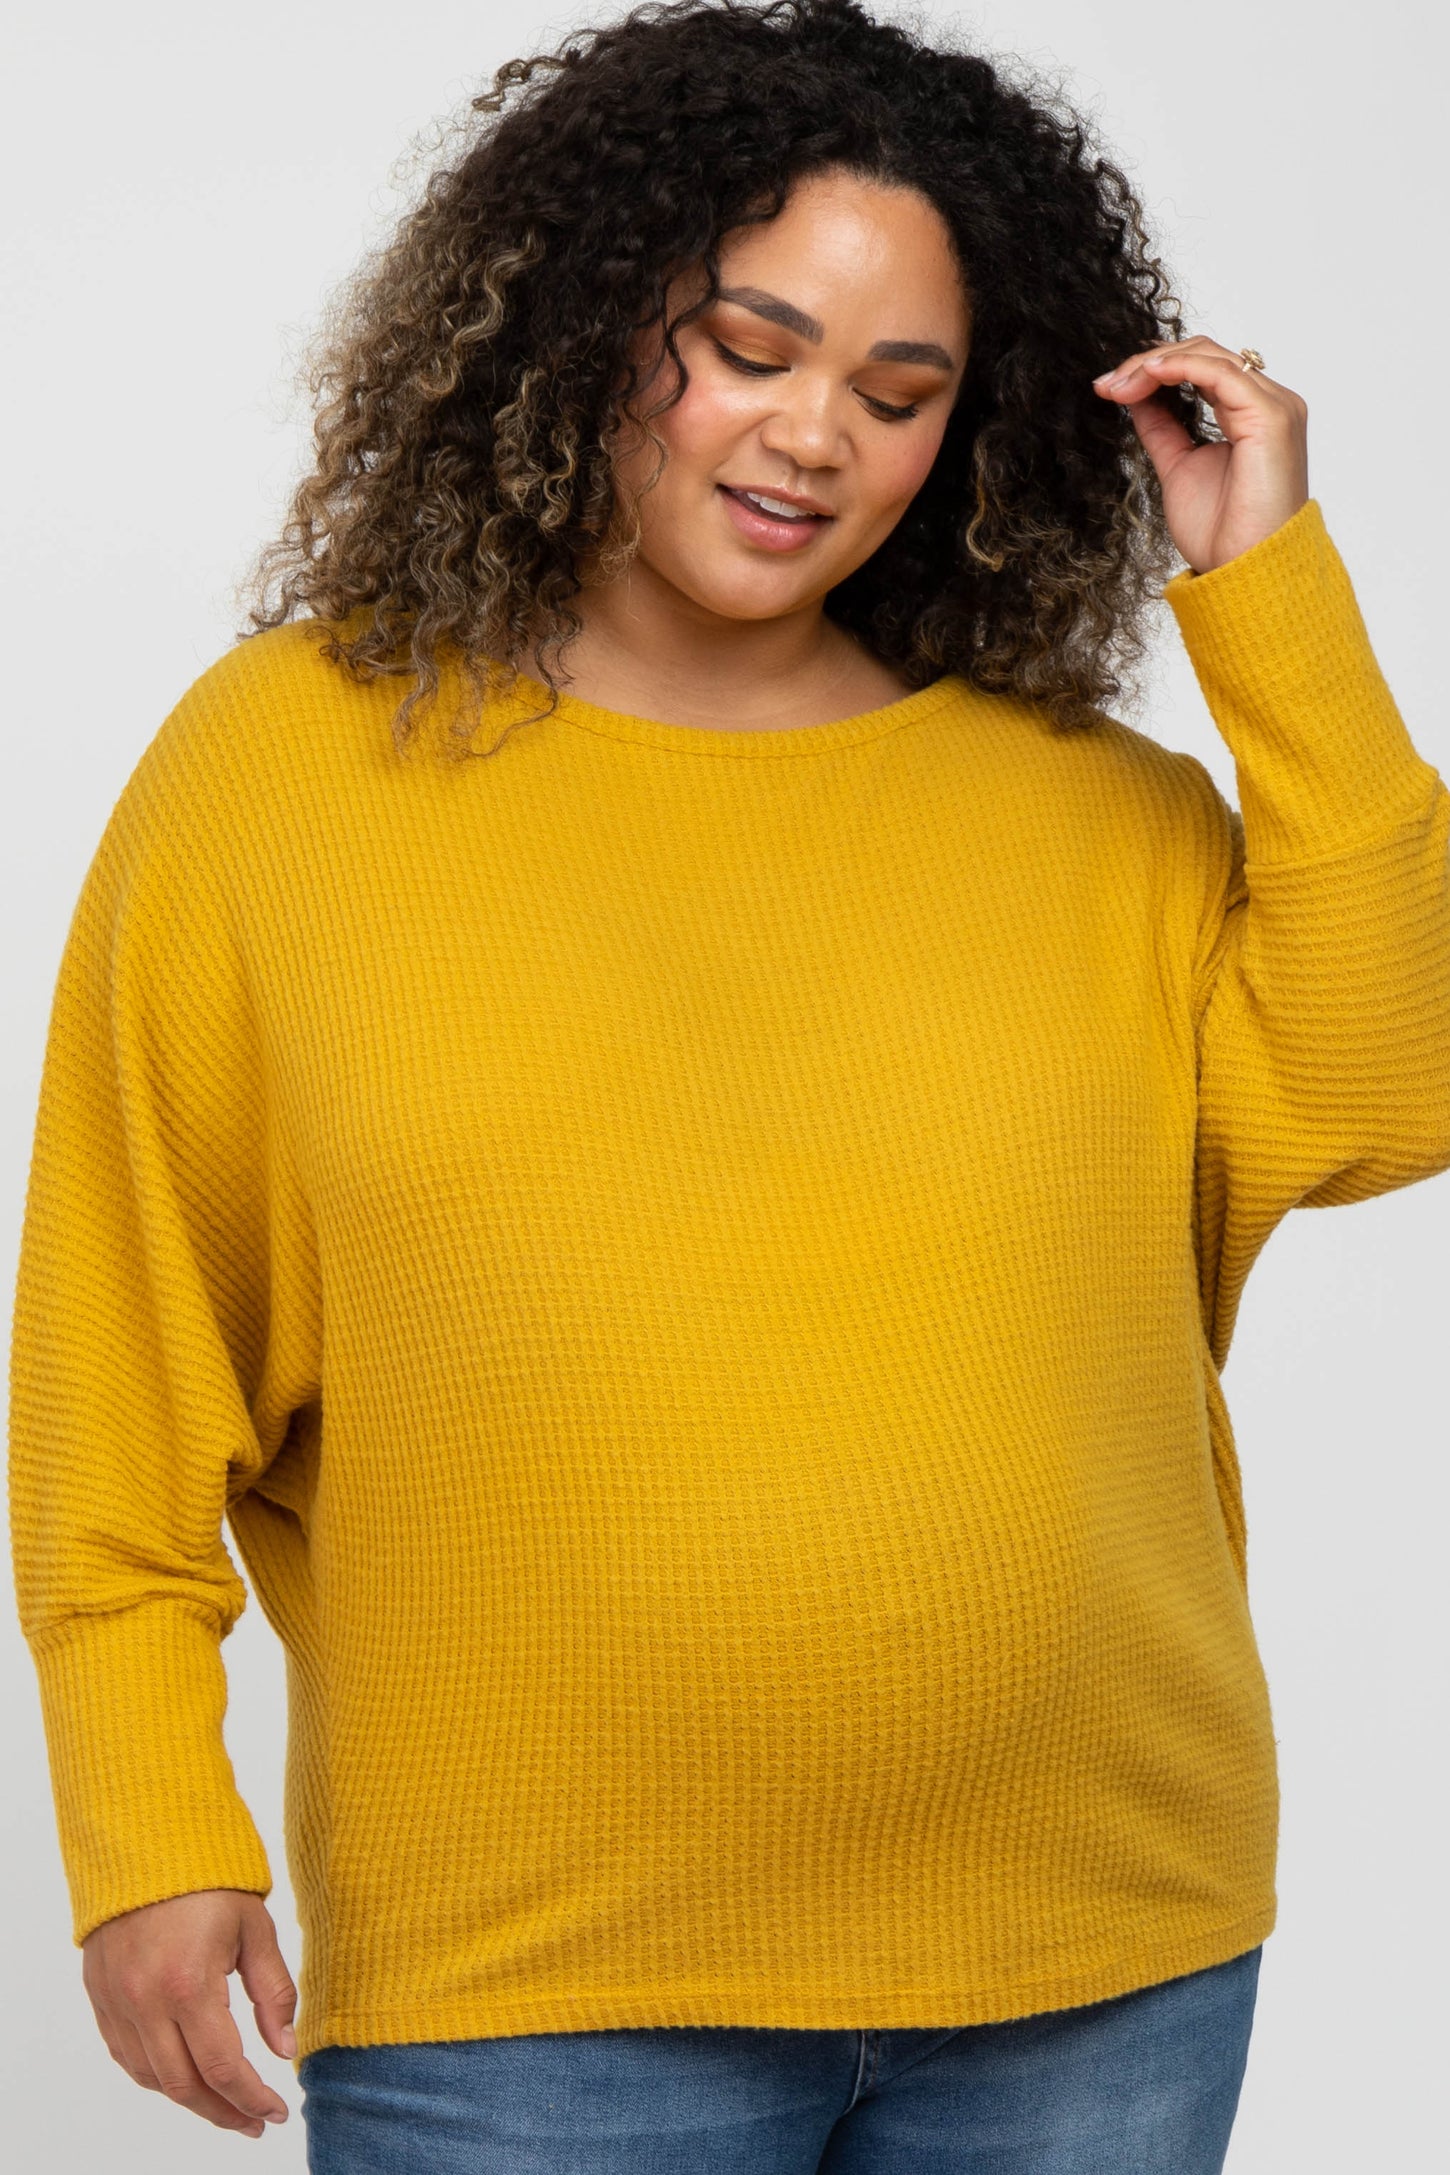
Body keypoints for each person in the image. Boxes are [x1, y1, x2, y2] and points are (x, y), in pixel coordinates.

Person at [9, 0, 1449, 2168]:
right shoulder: (285, 775)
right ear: (591, 325)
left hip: (1096, 1967)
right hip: (537, 2001)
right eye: (746, 350)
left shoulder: (1094, 817)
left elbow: (1389, 1080)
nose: (810, 439)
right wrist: (143, 1823)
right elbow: (114, 1365)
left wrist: (1267, 589)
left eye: (896, 390)